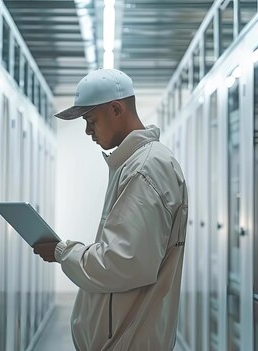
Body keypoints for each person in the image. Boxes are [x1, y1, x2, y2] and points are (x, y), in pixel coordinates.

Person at [33, 68, 188, 350]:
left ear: (116, 109)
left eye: (91, 120)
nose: (87, 130)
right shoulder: (135, 164)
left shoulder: (145, 168)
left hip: (129, 341)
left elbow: (123, 262)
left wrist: (61, 251)